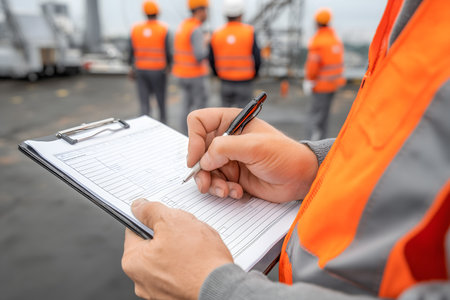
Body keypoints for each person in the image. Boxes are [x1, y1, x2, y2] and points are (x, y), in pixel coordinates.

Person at [122, 0, 450, 299]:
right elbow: (415, 146)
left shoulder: (187, 31)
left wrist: (221, 290)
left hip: (204, 79)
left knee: (168, 112)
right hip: (265, 83)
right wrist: (315, 165)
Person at [209, 0, 261, 107]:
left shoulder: (217, 34)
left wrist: (216, 73)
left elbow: (211, 58)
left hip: (225, 81)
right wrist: (255, 73)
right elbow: (257, 57)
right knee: (245, 115)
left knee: (225, 116)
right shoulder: (249, 32)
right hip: (245, 82)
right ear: (241, 14)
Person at [305, 8, 345, 140]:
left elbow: (312, 66)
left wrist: (309, 80)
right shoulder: (335, 39)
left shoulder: (317, 41)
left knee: (315, 115)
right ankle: (323, 140)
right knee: (325, 115)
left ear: (316, 23)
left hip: (321, 85)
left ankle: (311, 143)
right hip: (333, 84)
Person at [129, 0, 171, 124]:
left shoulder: (136, 29)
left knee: (144, 103)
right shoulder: (163, 29)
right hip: (158, 70)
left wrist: (131, 68)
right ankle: (163, 124)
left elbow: (131, 51)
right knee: (161, 101)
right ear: (157, 12)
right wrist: (169, 65)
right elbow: (167, 51)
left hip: (141, 70)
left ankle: (144, 127)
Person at [172, 0, 210, 134]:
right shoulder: (196, 29)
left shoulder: (183, 26)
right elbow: (199, 55)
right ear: (200, 11)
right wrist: (207, 43)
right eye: (206, 10)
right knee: (200, 109)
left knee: (185, 107)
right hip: (195, 75)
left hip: (181, 74)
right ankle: (198, 136)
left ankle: (184, 135)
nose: (207, 14)